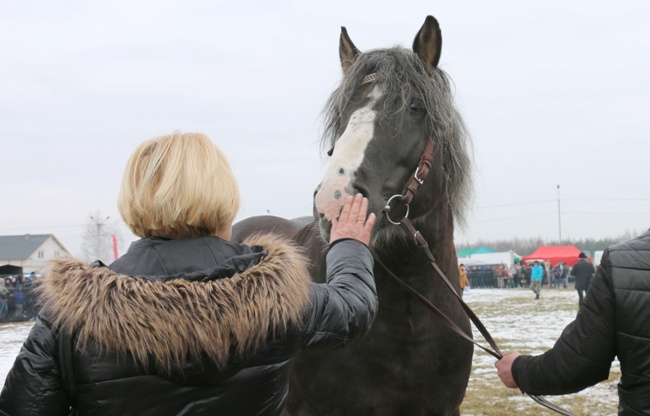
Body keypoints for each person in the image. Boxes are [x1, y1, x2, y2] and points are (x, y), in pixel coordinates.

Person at [0, 132, 378, 416]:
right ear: (224, 197)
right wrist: (350, 244)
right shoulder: (280, 297)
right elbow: (354, 308)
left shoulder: (71, 315)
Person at [496, 230, 650, 415]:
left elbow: (578, 365)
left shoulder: (623, 260)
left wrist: (519, 370)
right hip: (591, 287)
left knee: (583, 297)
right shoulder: (621, 262)